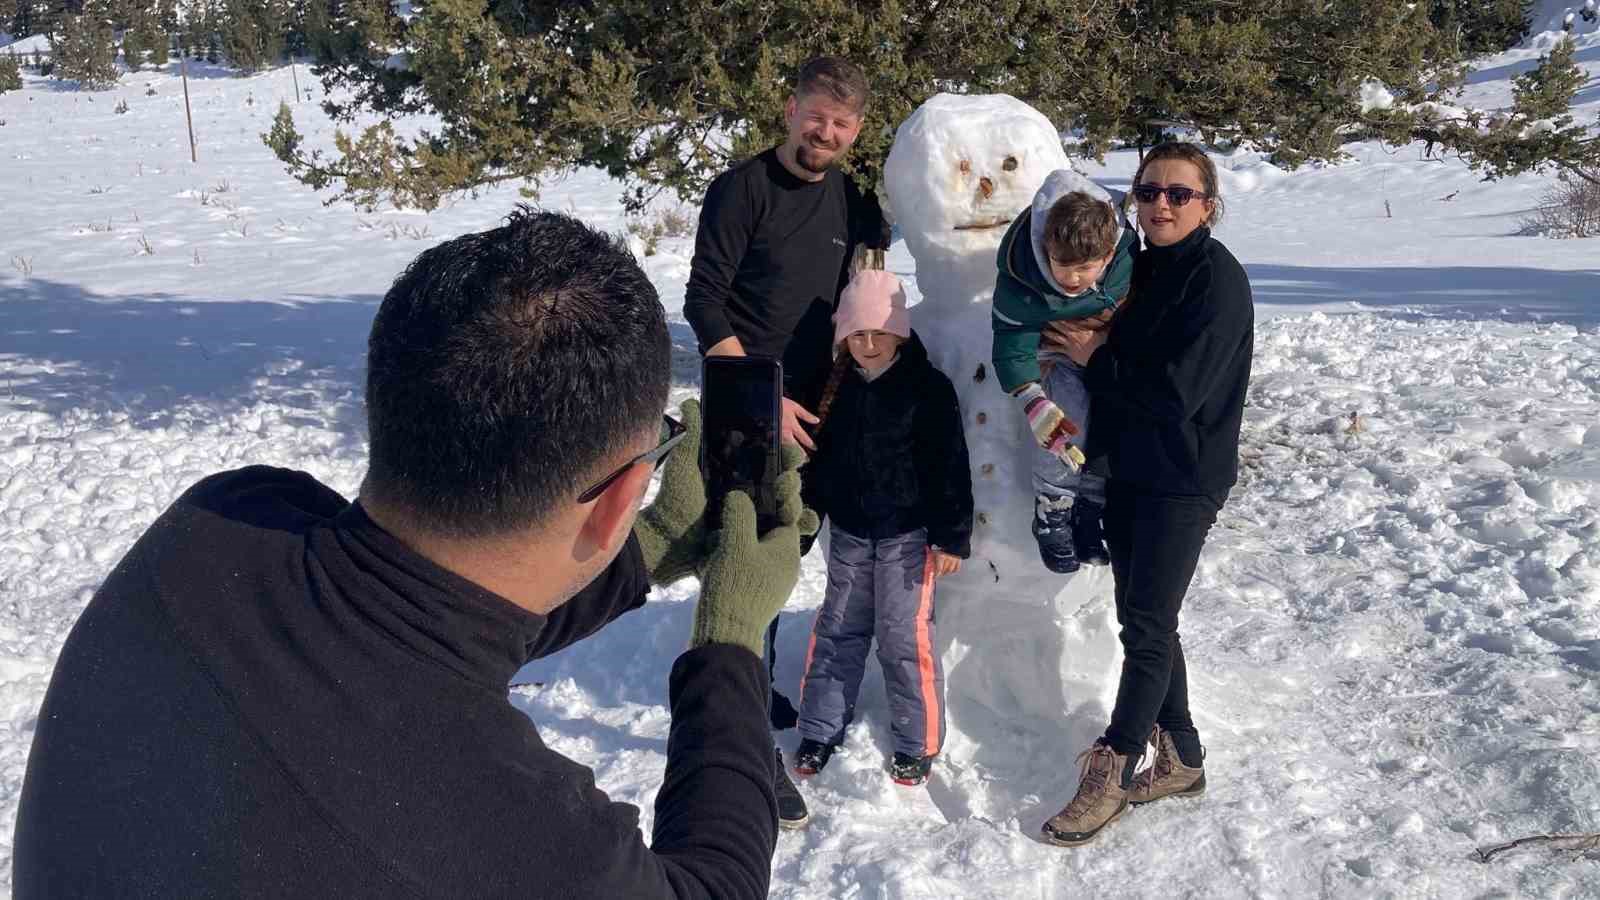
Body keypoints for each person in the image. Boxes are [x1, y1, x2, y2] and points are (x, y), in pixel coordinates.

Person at [13, 209, 818, 898]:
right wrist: (731, 631)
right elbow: (712, 885)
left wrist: (642, 550)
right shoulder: (521, 838)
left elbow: (415, 621)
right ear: (616, 497)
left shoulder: (224, 521)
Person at [683, 55, 887, 827]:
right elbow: (704, 301)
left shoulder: (856, 202)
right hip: (749, 404)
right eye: (814, 116)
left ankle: (745, 676)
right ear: (791, 108)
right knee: (749, 562)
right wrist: (765, 401)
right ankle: (744, 751)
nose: (823, 133)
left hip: (827, 408)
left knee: (790, 557)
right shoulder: (742, 190)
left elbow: (871, 292)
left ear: (854, 131)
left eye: (840, 124)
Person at [1036, 143, 1254, 847]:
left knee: (1148, 626)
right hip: (1130, 468)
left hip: (1183, 476)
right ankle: (1183, 755)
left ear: (1207, 207)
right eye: (1150, 191)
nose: (1161, 203)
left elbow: (1177, 392)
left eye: (1179, 194)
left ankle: (1116, 765)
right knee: (1146, 616)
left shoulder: (1216, 281)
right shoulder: (1134, 268)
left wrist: (1096, 358)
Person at [790, 270, 973, 787]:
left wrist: (951, 534)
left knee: (902, 635)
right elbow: (818, 466)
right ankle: (820, 727)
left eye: (879, 332)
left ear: (901, 332)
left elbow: (949, 466)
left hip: (907, 538)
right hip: (850, 534)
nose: (868, 345)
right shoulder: (836, 388)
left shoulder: (927, 390)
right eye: (857, 334)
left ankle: (917, 740)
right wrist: (806, 522)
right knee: (838, 628)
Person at [991, 170, 1139, 574]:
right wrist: (1031, 397)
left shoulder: (1126, 256)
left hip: (1109, 354)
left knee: (1113, 419)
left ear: (1108, 256)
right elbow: (1012, 340)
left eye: (1086, 268)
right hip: (1057, 355)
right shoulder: (1022, 277)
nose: (1072, 279)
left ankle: (1091, 505)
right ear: (1045, 246)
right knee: (1065, 418)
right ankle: (1053, 507)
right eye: (1062, 265)